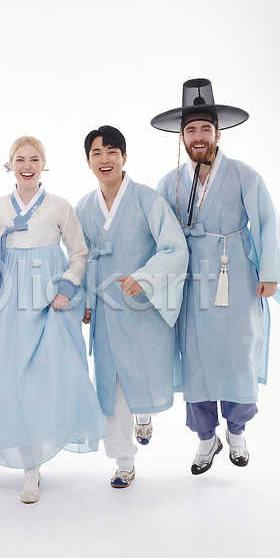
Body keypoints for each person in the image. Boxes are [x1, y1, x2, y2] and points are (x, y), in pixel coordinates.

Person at [0, 136, 107, 504]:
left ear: (44, 164)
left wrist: (67, 288)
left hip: (51, 304)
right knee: (14, 383)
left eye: (35, 159)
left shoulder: (59, 206)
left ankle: (39, 455)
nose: (27, 166)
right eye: (20, 159)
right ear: (9, 165)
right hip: (10, 306)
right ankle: (30, 466)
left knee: (51, 379)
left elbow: (79, 252)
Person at [152, 78, 280, 474]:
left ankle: (238, 431)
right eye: (191, 130)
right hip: (192, 281)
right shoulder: (170, 183)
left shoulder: (243, 175)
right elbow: (157, 235)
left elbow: (269, 223)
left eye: (205, 129)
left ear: (217, 133)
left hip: (235, 275)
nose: (198, 136)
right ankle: (205, 437)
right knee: (195, 359)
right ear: (181, 136)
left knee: (240, 352)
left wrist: (270, 272)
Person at [75, 126, 188, 488]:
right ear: (88, 161)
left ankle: (144, 414)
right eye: (96, 153)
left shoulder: (147, 199)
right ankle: (124, 462)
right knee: (111, 387)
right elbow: (78, 258)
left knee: (142, 376)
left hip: (142, 308)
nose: (104, 159)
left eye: (112, 152)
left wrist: (145, 278)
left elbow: (174, 247)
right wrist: (85, 300)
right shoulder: (83, 208)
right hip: (107, 310)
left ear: (124, 157)